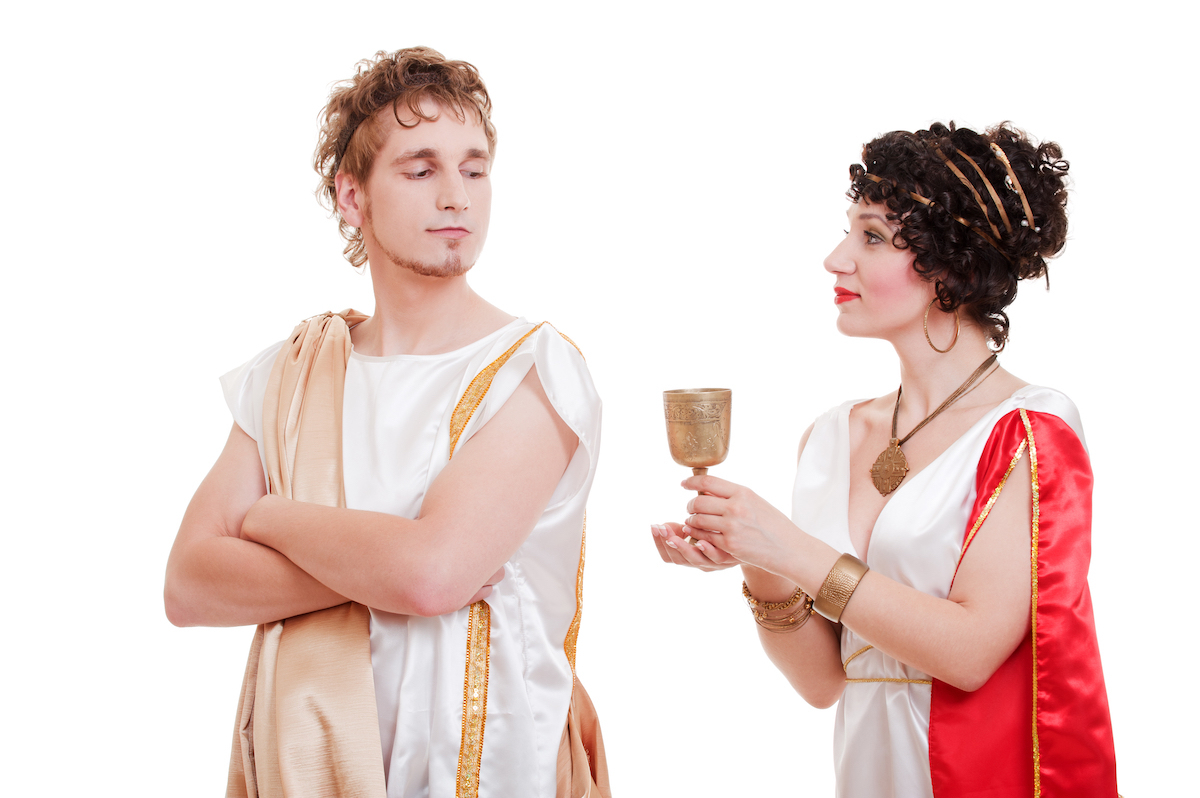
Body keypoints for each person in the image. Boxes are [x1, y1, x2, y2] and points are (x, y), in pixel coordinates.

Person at [165, 47, 608, 798]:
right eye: (420, 169)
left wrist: (268, 515)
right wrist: (389, 560)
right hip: (312, 767)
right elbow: (190, 584)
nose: (457, 197)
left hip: (498, 767)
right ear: (351, 197)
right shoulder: (290, 375)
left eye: (474, 168)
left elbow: (431, 576)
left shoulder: (535, 370)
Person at [651, 122, 1118, 797]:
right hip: (870, 771)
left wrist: (791, 547)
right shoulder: (831, 436)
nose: (836, 259)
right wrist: (755, 555)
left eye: (870, 236)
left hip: (984, 773)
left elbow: (970, 652)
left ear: (949, 265)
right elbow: (823, 682)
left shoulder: (1028, 429)